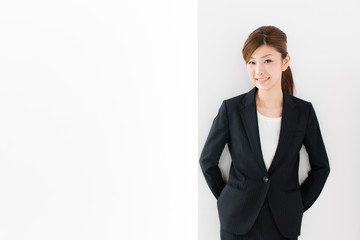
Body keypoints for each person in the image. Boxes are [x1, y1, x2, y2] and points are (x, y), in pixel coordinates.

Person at [199, 25, 330, 240]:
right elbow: (207, 161)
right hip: (237, 222)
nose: (258, 70)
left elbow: (321, 167)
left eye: (267, 60)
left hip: (283, 224)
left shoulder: (303, 112)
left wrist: (294, 205)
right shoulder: (231, 110)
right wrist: (228, 199)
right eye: (252, 62)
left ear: (285, 62)